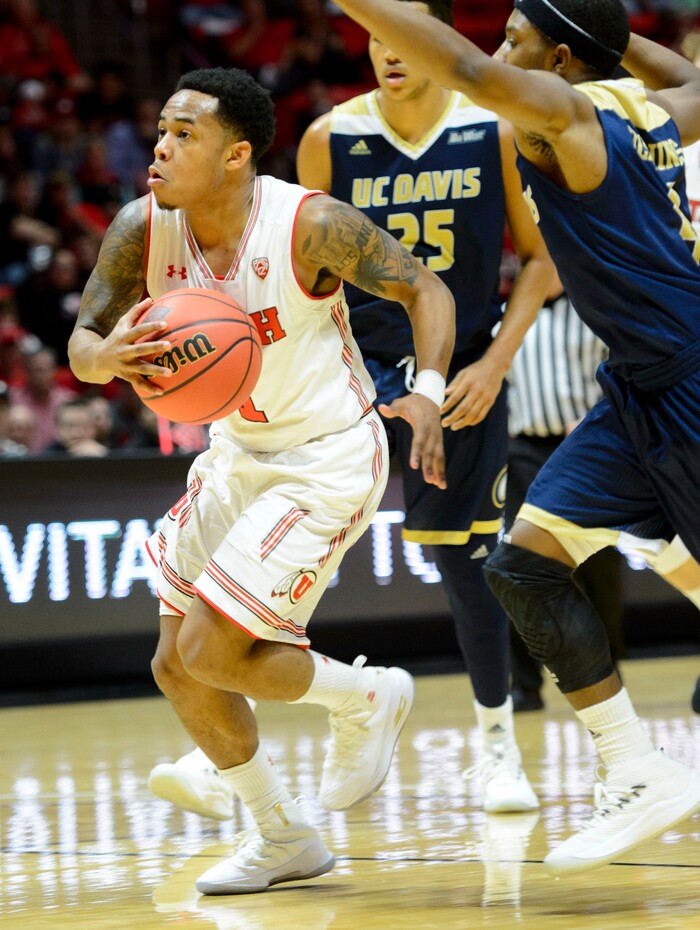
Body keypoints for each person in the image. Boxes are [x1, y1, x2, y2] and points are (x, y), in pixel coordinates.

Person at [330, 0, 700, 875]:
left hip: (688, 385)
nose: (501, 50)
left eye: (518, 39)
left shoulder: (566, 113)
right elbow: (685, 76)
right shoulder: (650, 107)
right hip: (635, 389)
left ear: (559, 59)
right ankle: (635, 767)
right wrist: (607, 37)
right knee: (520, 565)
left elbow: (461, 69)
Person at [67, 66, 455, 895]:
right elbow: (82, 343)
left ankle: (365, 697)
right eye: (161, 129)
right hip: (238, 452)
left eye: (185, 134)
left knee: (213, 647)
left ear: (237, 154)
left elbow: (423, 287)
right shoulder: (143, 228)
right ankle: (284, 837)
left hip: (327, 454)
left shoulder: (307, 225)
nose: (160, 148)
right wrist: (104, 357)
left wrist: (424, 393)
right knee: (176, 665)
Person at [295, 0, 556, 813]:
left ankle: (497, 745)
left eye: (403, 38)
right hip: (357, 371)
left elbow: (543, 260)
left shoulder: (495, 130)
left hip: (468, 367)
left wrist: (495, 365)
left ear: (441, 43)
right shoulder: (328, 138)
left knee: (466, 567)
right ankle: (249, 728)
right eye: (375, 39)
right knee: (292, 548)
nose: (388, 53)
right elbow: (305, 272)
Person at [504, 278, 626, 712]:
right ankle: (525, 685)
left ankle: (608, 672)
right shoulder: (508, 316)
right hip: (523, 451)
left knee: (599, 570)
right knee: (517, 570)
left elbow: (621, 375)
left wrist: (598, 421)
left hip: (585, 448)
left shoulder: (592, 311)